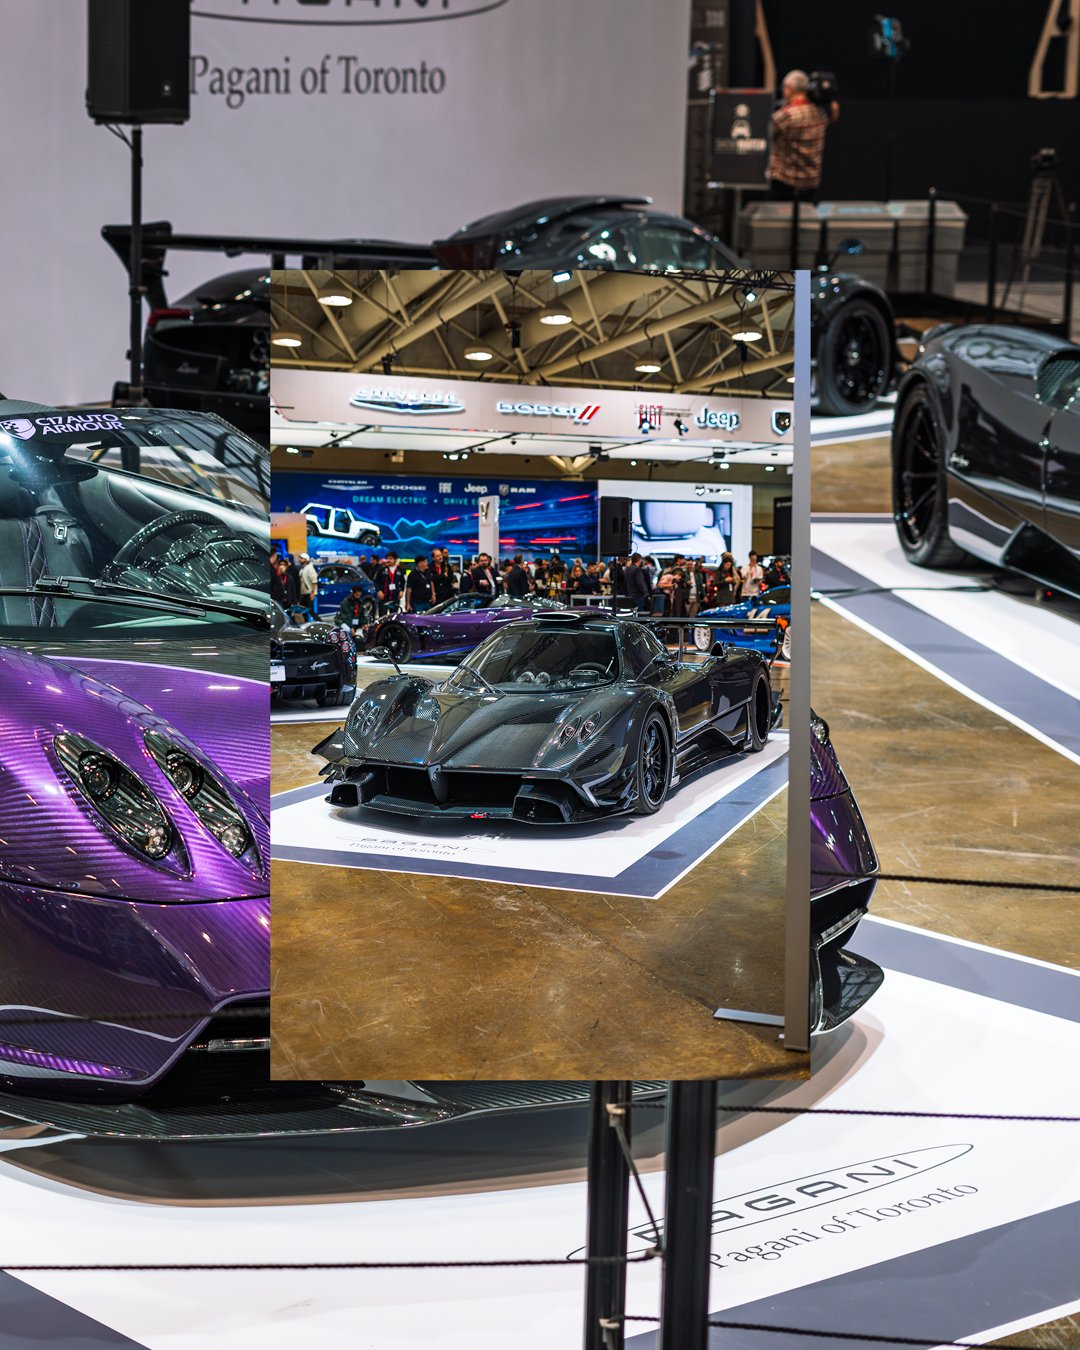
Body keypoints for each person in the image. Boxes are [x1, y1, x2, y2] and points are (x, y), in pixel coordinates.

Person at [767, 69, 837, 202]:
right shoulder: (820, 114)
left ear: (789, 88)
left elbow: (765, 133)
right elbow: (834, 113)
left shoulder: (786, 115)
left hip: (785, 183)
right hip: (810, 185)